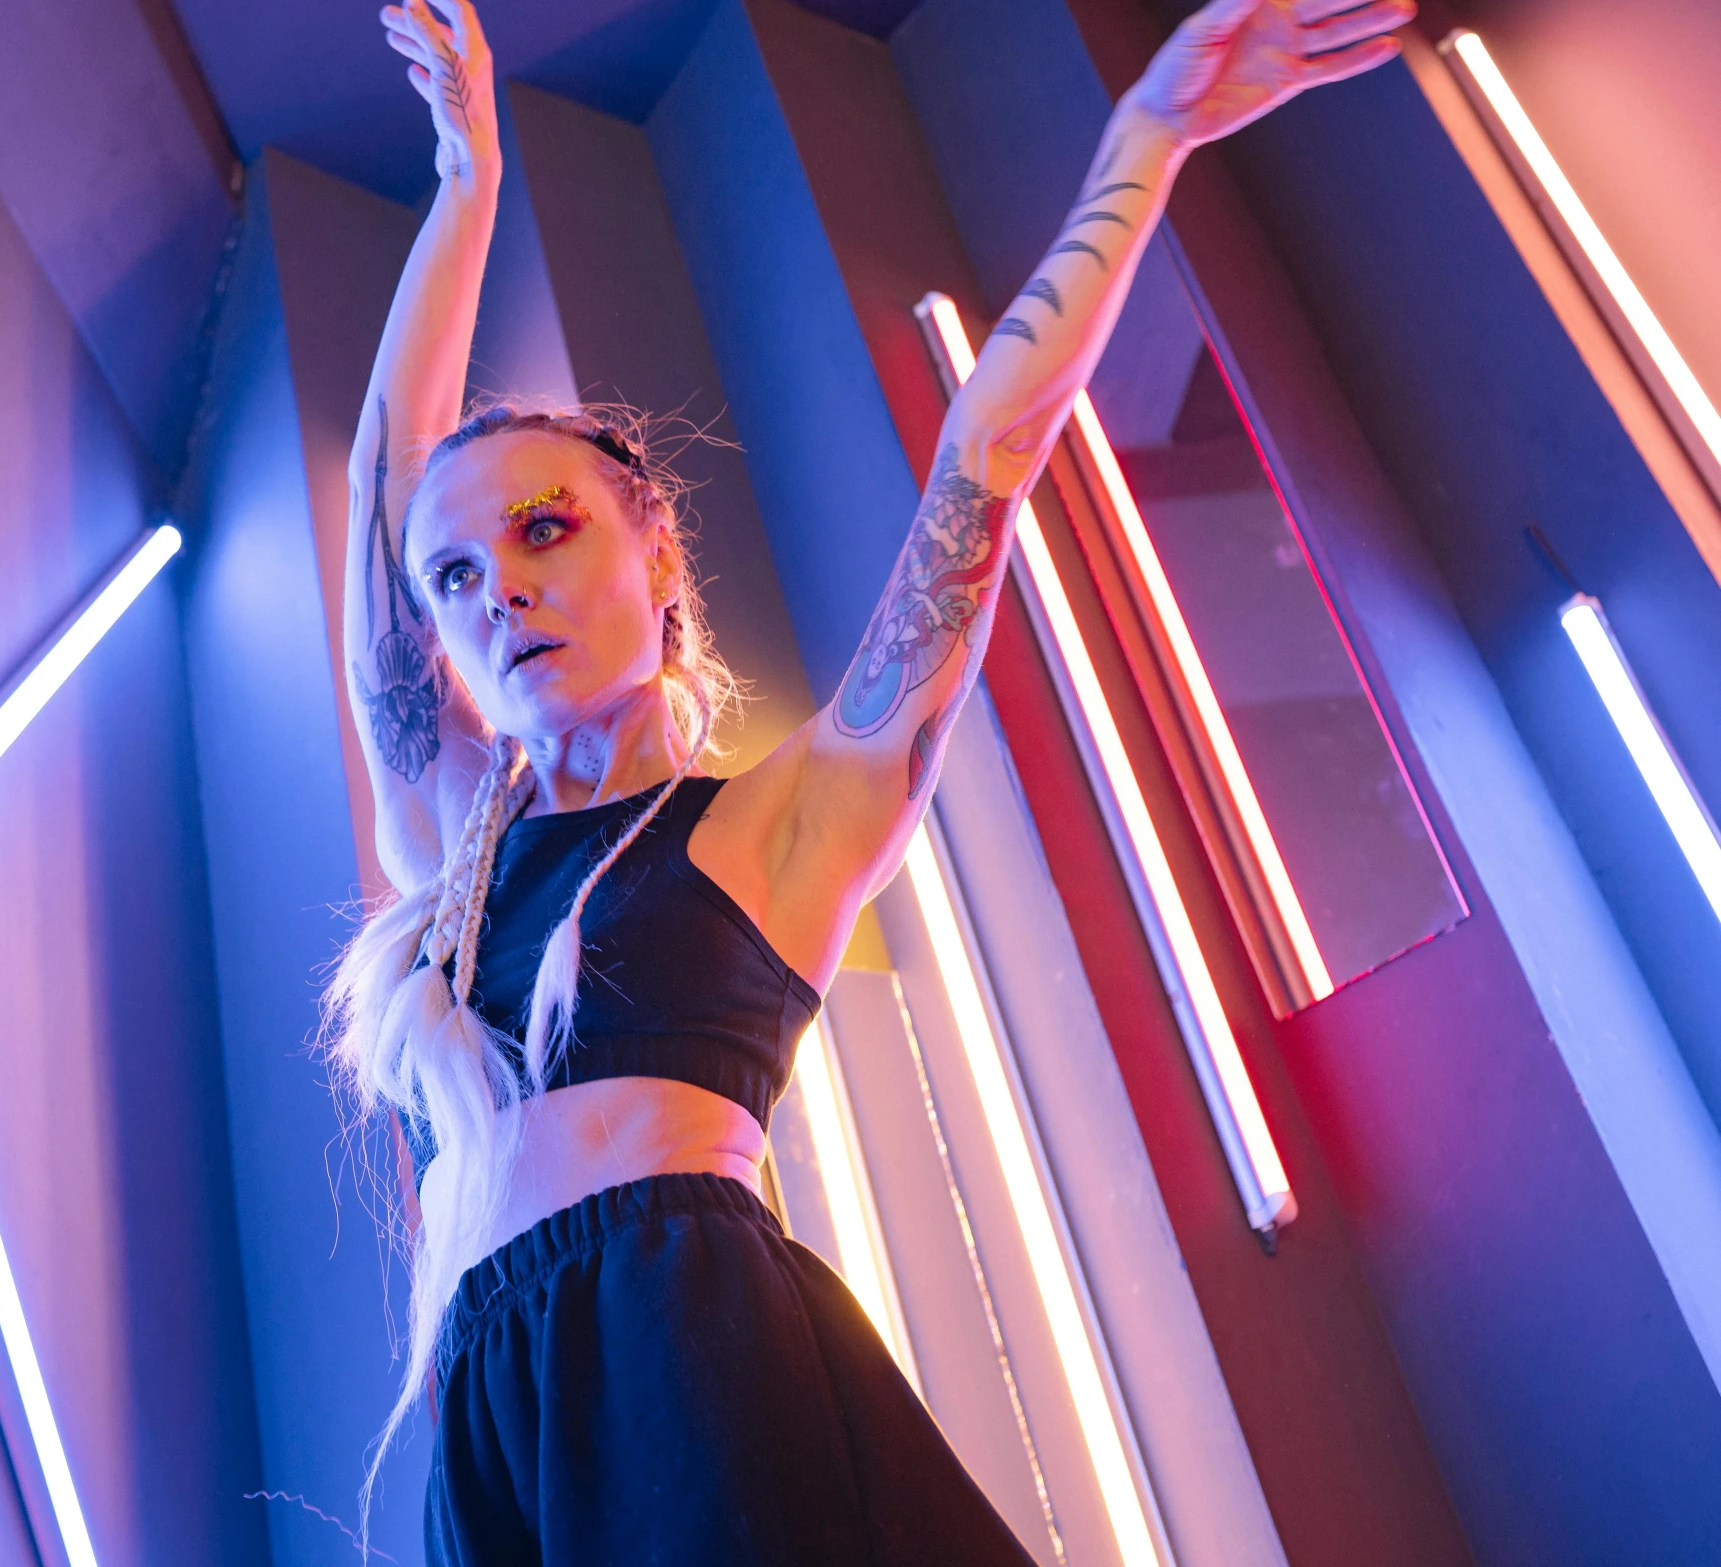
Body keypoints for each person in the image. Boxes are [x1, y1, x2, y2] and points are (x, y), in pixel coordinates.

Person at [326, 0, 1409, 1560]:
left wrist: (1145, 138)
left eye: (544, 528)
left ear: (653, 542)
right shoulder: (447, 848)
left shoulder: (784, 819)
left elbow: (991, 448)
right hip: (492, 1404)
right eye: (454, 576)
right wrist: (465, 169)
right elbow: (383, 474)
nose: (493, 589)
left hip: (682, 1335)